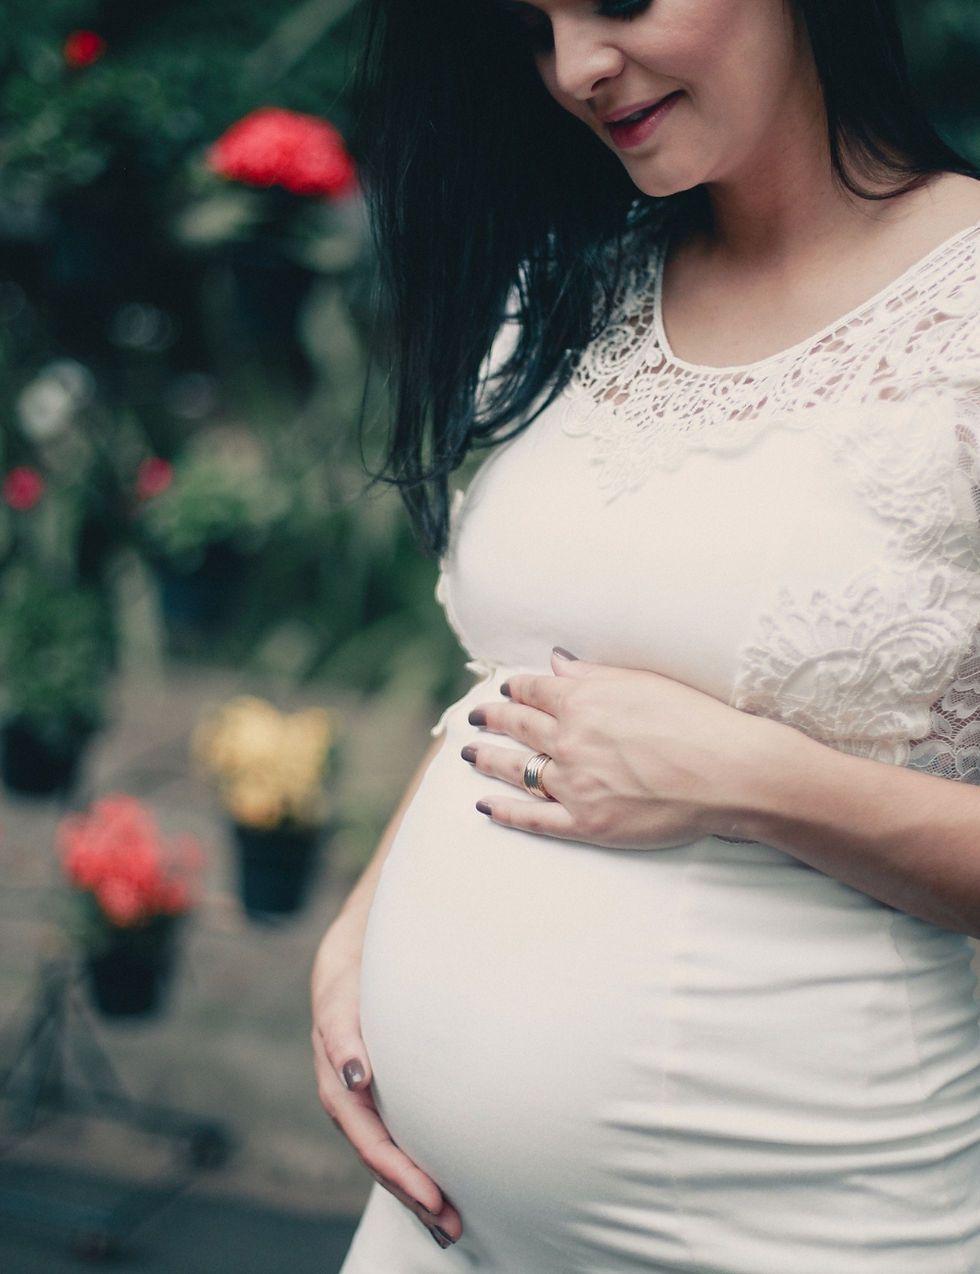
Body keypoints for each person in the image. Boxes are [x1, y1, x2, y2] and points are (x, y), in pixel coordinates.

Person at [311, 1, 980, 1269]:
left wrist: (746, 777)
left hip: (795, 1221)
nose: (572, 70)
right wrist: (362, 918)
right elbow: (512, 683)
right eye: (531, 24)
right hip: (436, 1228)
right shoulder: (575, 285)